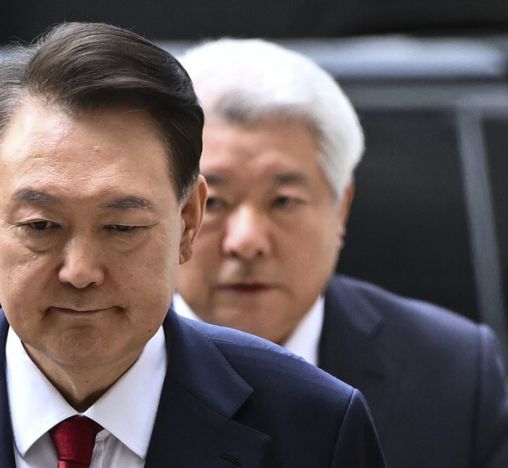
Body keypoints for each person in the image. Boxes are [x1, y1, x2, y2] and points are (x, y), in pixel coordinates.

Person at [0, 23, 385, 467]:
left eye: (121, 228)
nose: (80, 271)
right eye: (41, 226)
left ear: (188, 220)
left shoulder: (313, 427)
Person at [175, 38, 508, 468]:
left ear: (341, 208)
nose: (247, 241)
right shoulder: (104, 352)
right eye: (216, 202)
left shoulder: (451, 369)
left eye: (284, 201)